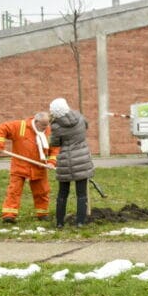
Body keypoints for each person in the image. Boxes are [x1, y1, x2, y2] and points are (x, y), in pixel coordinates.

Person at [0, 112, 54, 223]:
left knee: (42, 192)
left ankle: (43, 214)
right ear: (36, 121)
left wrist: (51, 162)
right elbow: (1, 128)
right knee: (14, 191)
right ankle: (9, 215)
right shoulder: (20, 126)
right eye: (43, 125)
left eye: (47, 125)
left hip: (39, 166)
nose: (45, 127)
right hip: (19, 165)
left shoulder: (48, 131)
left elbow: (54, 148)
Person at [48, 98, 96, 228]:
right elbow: (86, 126)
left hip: (66, 162)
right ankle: (80, 222)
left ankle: (59, 223)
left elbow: (54, 143)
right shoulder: (80, 117)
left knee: (62, 194)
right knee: (82, 194)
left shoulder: (56, 126)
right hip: (82, 159)